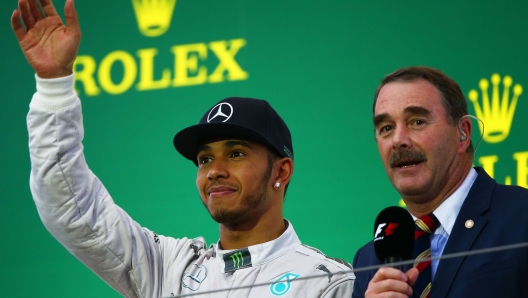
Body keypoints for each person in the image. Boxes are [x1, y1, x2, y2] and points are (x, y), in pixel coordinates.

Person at [12, 0, 355, 297]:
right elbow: (72, 208)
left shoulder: (326, 283)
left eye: (235, 153)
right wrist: (54, 86)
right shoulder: (167, 268)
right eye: (205, 158)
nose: (214, 171)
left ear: (281, 171)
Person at [352, 66, 528, 298]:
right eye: (386, 128)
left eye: (417, 122)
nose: (398, 140)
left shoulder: (521, 216)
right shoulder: (369, 259)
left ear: (462, 134)